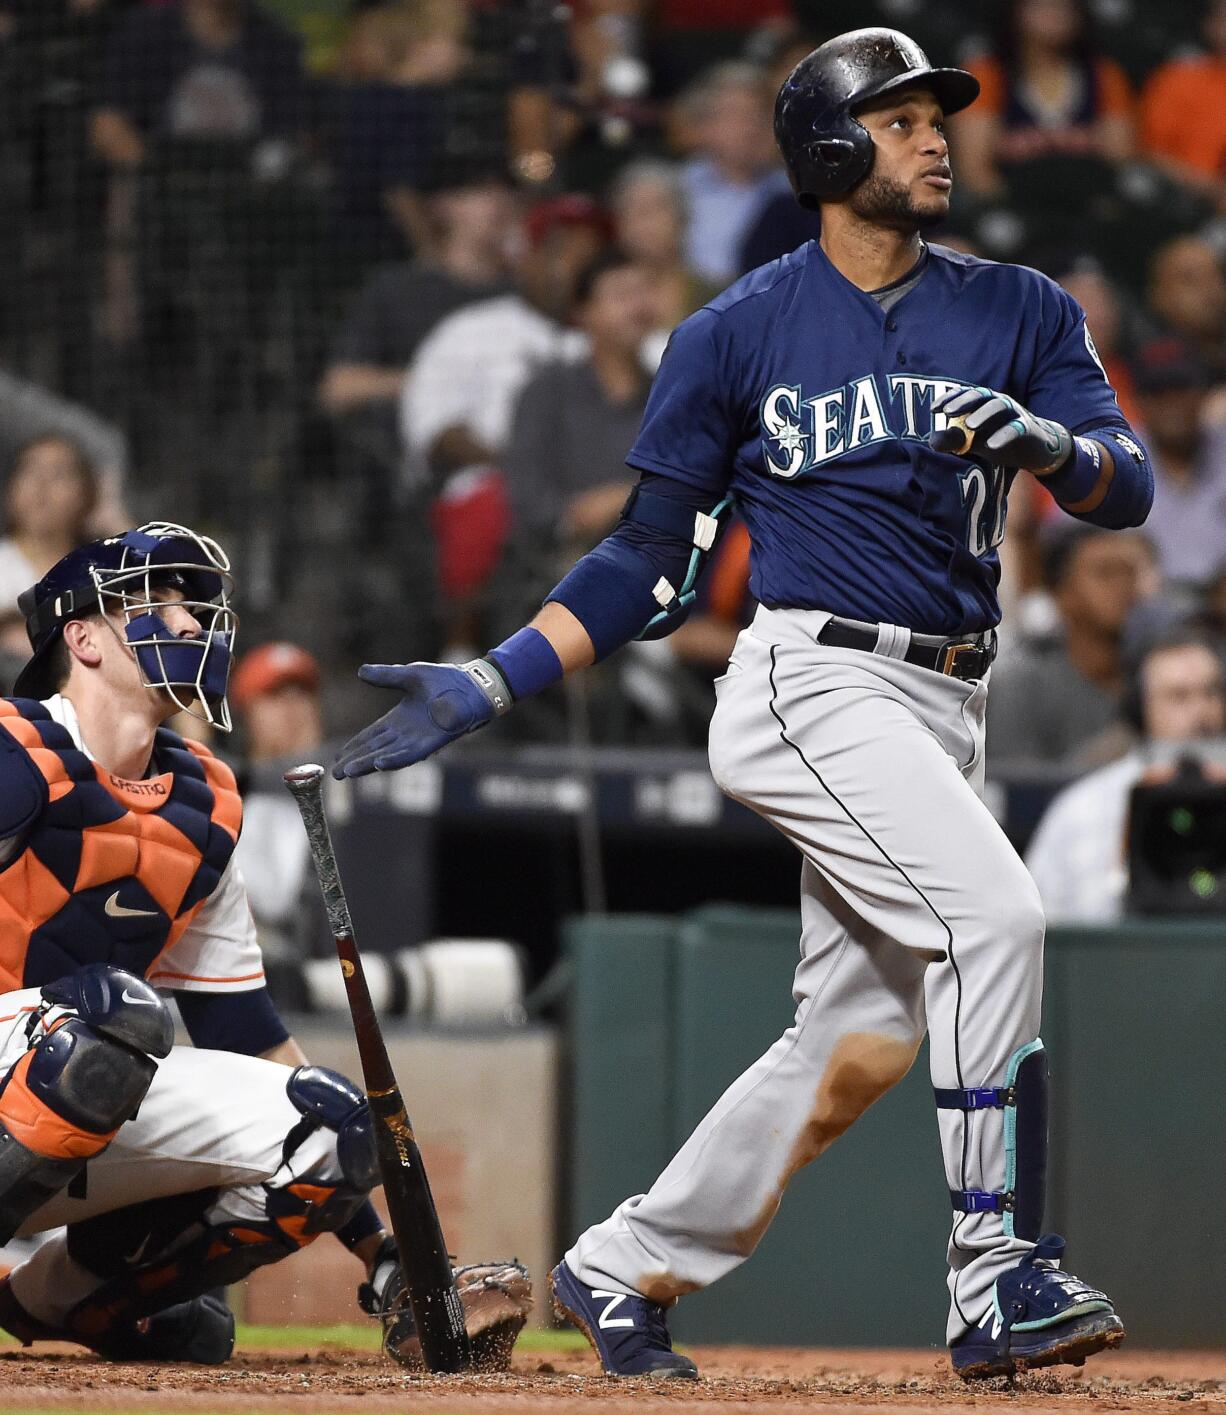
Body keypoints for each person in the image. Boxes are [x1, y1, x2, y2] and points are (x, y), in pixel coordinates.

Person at [334, 27, 1154, 1381]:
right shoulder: (733, 329)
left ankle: (618, 1262)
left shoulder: (1019, 307)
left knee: (855, 1037)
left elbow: (1119, 479)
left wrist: (1055, 447)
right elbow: (646, 558)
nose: (935, 135)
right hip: (808, 676)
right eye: (899, 121)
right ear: (830, 150)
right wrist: (496, 673)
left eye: (933, 117)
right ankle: (995, 1275)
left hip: (949, 692)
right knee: (993, 915)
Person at [0, 522, 529, 1365]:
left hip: (78, 1091)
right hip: (37, 1060)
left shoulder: (203, 805)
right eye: (155, 605)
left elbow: (245, 1033)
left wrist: (386, 1254)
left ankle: (61, 1299)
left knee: (330, 1125)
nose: (187, 623)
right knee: (111, 1026)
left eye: (192, 606)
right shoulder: (14, 747)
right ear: (83, 637)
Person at [1026, 632, 1226, 923]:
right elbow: (1044, 930)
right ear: (1139, 707)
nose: (1201, 710)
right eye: (1178, 696)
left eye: (1212, 692)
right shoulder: (1082, 808)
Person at [987, 526, 1157, 766]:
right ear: (1060, 593)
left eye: (1129, 572)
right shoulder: (1020, 684)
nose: (1124, 586)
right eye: (1105, 573)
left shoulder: (1155, 674)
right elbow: (1018, 790)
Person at [955, 0, 1133, 201]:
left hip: (1088, 204)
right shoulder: (988, 74)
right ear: (1016, 11)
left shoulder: (1104, 75)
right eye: (1042, 5)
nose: (1056, 14)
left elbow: (1120, 162)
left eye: (1066, 6)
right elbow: (973, 170)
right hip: (1011, 205)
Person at [1128, 336, 1226, 589]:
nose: (1171, 403)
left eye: (1181, 389)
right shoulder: (1116, 456)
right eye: (1157, 392)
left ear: (1203, 393)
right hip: (1146, 613)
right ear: (1139, 401)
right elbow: (1067, 541)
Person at [675, 63, 778, 286]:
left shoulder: (793, 192)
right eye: (736, 115)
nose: (750, 127)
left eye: (758, 114)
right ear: (705, 126)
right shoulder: (678, 189)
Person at [1141, 0, 1226, 209]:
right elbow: (1148, 153)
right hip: (1184, 205)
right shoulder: (1177, 79)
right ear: (1211, 26)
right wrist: (1212, 189)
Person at [0, 437, 99, 615]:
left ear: (86, 494)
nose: (41, 486)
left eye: (58, 474)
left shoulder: (100, 571)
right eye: (30, 471)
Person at [1144, 235, 1226, 383]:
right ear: (1159, 296)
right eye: (1190, 280)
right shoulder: (1152, 366)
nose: (1209, 288)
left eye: (1215, 275)